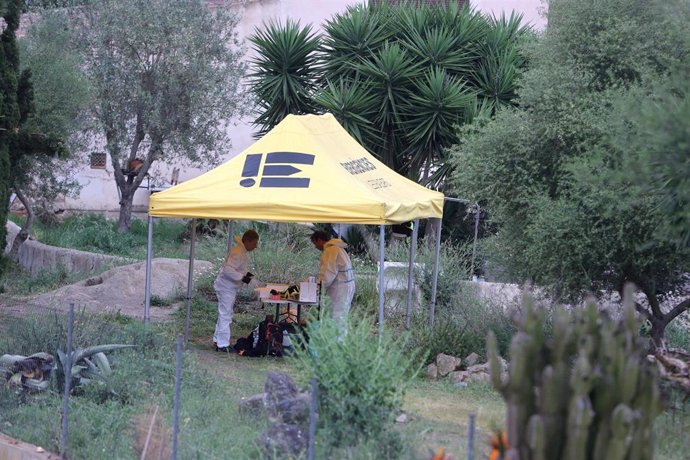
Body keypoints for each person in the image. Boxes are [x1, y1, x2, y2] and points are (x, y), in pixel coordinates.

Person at [212, 229, 259, 352]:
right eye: (254, 243)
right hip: (226, 287)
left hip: (228, 287)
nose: (256, 247)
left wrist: (247, 277)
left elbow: (236, 269)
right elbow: (228, 270)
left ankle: (217, 340)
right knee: (225, 315)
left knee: (224, 313)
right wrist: (242, 278)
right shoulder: (238, 252)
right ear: (247, 241)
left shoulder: (241, 251)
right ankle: (222, 344)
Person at [310, 230, 355, 335]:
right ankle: (339, 342)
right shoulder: (339, 248)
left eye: (315, 243)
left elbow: (328, 273)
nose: (315, 247)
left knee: (336, 317)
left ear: (319, 240)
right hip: (346, 286)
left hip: (340, 289)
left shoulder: (331, 250)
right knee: (342, 316)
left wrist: (317, 285)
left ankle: (336, 345)